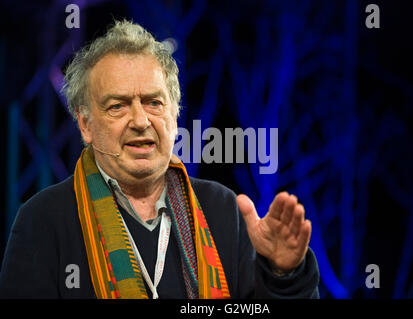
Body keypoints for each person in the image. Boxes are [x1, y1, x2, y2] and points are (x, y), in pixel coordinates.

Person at [0, 20, 320, 299]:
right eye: (118, 106)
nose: (140, 121)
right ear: (85, 124)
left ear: (174, 115)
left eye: (153, 102)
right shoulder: (42, 222)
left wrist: (284, 274)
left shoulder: (222, 209)